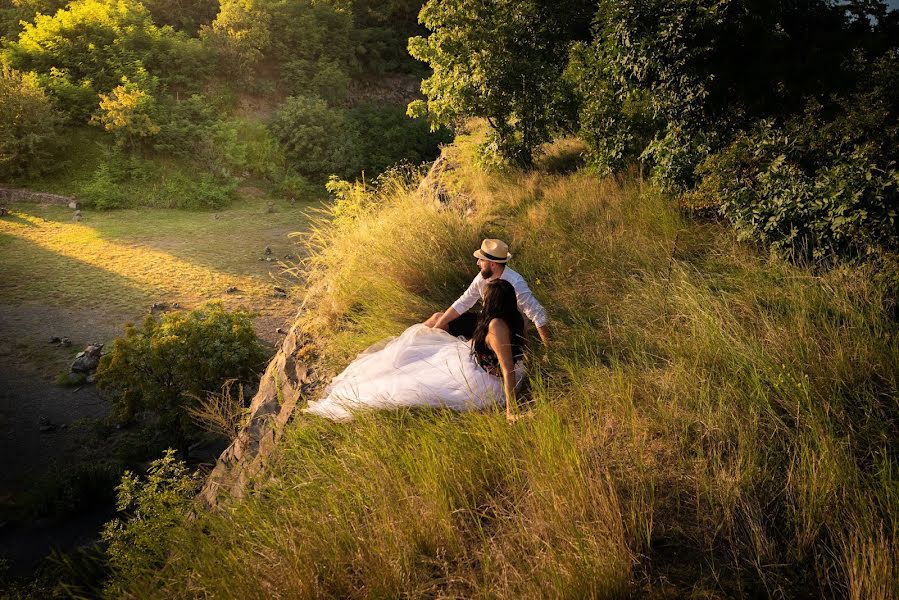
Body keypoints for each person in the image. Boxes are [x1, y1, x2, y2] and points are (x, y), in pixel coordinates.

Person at [304, 279, 527, 422]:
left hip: (488, 380)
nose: (483, 301)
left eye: (486, 298)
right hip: (476, 361)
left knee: (417, 384)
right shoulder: (511, 318)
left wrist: (511, 410)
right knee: (418, 360)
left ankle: (353, 400)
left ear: (494, 302)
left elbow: (507, 370)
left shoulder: (497, 326)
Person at [424, 238, 550, 347]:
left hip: (504, 330)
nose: (477, 263)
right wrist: (438, 327)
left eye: (481, 260)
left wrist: (548, 350)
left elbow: (538, 314)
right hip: (484, 321)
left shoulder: (515, 282)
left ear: (493, 264)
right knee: (437, 318)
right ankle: (420, 347)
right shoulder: (482, 277)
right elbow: (464, 301)